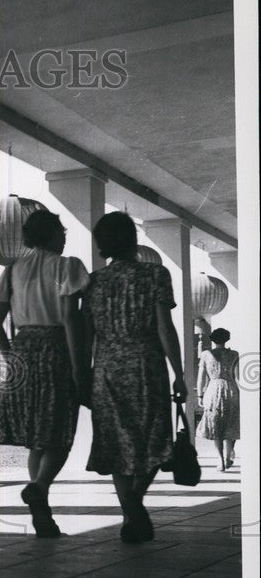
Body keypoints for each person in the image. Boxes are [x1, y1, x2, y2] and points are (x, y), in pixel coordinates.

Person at [82, 211, 187, 544]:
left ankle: (129, 513)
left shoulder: (94, 282)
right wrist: (179, 373)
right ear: (133, 239)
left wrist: (84, 374)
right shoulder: (156, 274)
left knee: (118, 445)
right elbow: (164, 327)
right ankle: (133, 502)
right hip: (146, 365)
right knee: (154, 441)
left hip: (108, 369)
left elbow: (87, 333)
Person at [0, 209, 90, 537]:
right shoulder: (66, 266)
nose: (65, 236)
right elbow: (70, 319)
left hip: (23, 351)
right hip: (56, 349)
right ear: (50, 234)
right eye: (61, 231)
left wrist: (12, 360)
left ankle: (41, 506)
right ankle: (41, 487)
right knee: (60, 431)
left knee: (37, 435)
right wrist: (80, 369)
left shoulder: (12, 270)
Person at [196, 327, 240, 470]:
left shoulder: (206, 354)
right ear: (227, 339)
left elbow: (201, 377)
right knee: (231, 423)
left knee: (216, 425)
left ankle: (220, 459)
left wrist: (200, 395)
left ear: (212, 339)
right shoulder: (234, 354)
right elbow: (237, 376)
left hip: (213, 389)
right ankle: (228, 456)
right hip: (231, 389)